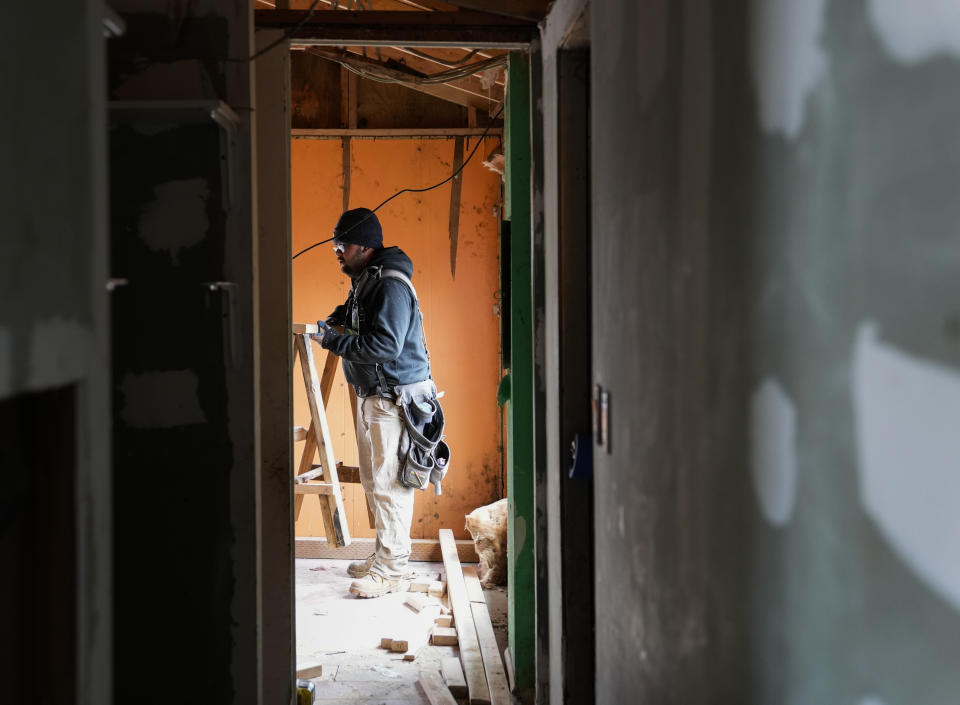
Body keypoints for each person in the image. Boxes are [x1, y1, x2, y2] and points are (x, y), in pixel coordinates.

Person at [313, 207, 437, 598]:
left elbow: (385, 345)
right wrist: (337, 319)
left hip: (395, 400)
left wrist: (333, 341)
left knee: (390, 485)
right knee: (375, 482)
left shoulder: (389, 285)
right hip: (376, 398)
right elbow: (361, 320)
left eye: (341, 244)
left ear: (364, 247)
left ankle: (393, 569)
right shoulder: (367, 279)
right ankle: (386, 555)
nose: (336, 250)